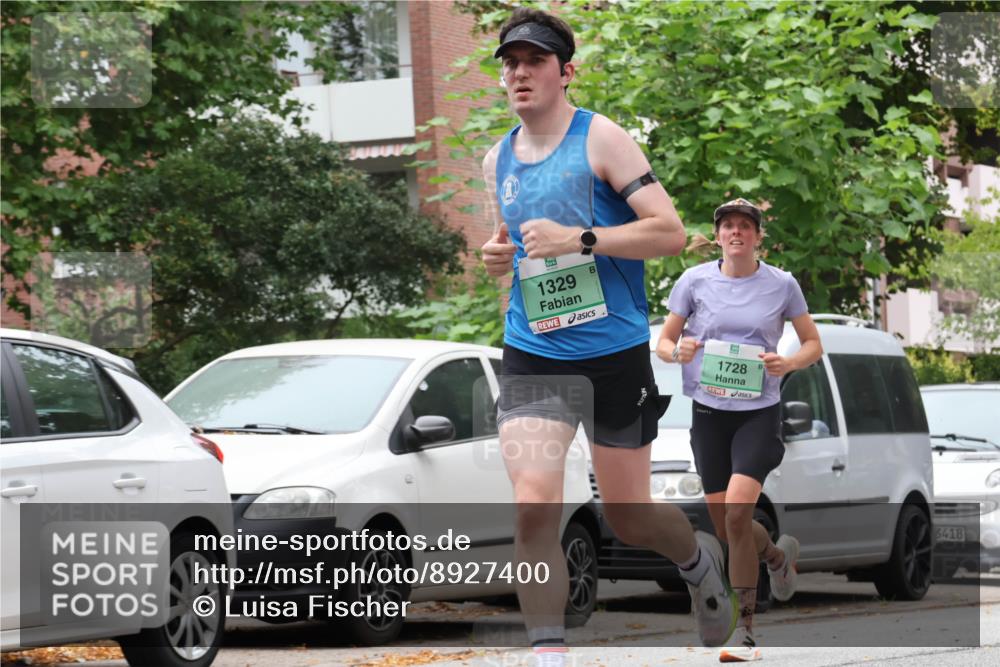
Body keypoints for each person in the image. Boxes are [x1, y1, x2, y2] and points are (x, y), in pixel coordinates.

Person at [480, 8, 738, 666]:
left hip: (613, 353)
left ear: (566, 72)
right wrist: (495, 255)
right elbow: (510, 249)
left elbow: (671, 232)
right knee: (534, 501)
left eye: (534, 61)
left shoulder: (603, 139)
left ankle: (696, 560)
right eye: (510, 61)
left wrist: (580, 239)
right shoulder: (497, 159)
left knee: (628, 514)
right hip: (534, 351)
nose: (519, 72)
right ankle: (549, 652)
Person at [656, 198, 823, 662]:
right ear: (719, 234)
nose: (736, 232)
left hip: (758, 412)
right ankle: (776, 556)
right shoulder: (694, 280)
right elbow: (664, 341)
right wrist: (678, 352)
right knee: (730, 528)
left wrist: (788, 361)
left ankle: (745, 632)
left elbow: (813, 343)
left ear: (756, 236)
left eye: (744, 226)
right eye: (728, 225)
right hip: (709, 414)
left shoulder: (781, 284)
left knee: (735, 514)